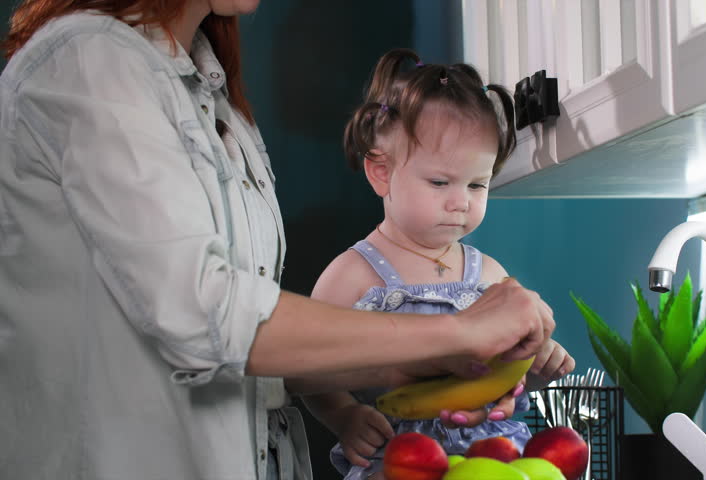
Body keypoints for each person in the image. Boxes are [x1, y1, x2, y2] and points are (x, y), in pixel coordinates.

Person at [0, 2, 557, 480]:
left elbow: (259, 361)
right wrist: (455, 332)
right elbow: (206, 313)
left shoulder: (213, 97)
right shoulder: (92, 61)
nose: (460, 199)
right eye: (441, 181)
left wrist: (442, 364)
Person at [294, 49, 575, 479]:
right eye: (440, 182)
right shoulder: (353, 273)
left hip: (494, 461)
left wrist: (536, 368)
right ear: (381, 173)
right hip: (402, 464)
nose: (461, 201)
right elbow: (303, 368)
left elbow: (503, 380)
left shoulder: (492, 275)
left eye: (478, 184)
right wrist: (343, 415)